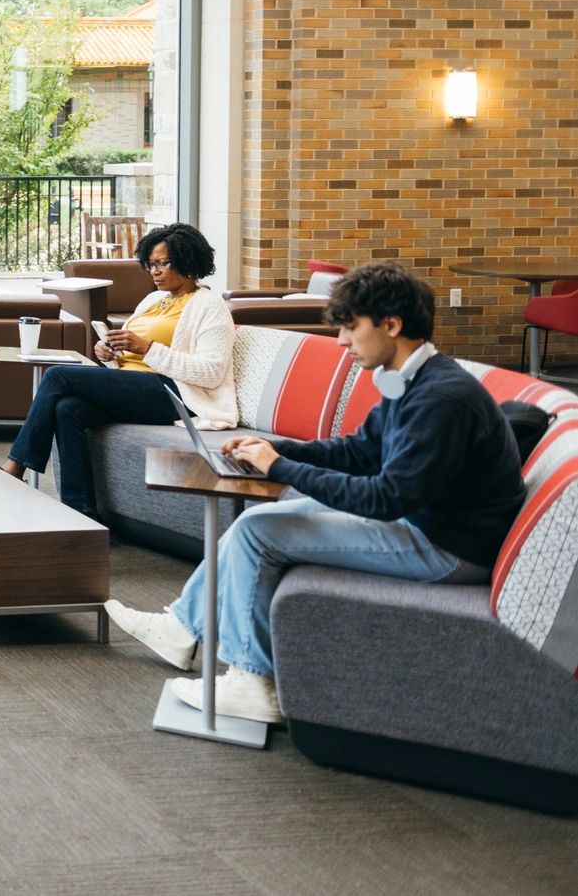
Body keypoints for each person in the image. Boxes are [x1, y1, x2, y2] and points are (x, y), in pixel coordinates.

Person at [105, 263, 525, 723]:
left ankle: (250, 681)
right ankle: (184, 628)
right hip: (429, 524)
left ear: (392, 324)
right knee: (266, 517)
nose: (342, 342)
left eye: (350, 327)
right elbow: (361, 450)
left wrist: (281, 467)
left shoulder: (440, 399)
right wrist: (273, 449)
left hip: (447, 546)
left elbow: (385, 499)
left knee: (257, 532)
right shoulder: (413, 381)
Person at [0, 222, 236, 516]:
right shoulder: (153, 300)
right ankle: (81, 513)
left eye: (163, 263)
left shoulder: (209, 306)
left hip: (175, 394)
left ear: (188, 261)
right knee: (67, 408)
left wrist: (147, 347)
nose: (155, 272)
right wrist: (108, 353)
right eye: (150, 265)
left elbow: (211, 372)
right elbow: (131, 352)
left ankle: (15, 466)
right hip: (134, 385)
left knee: (57, 375)